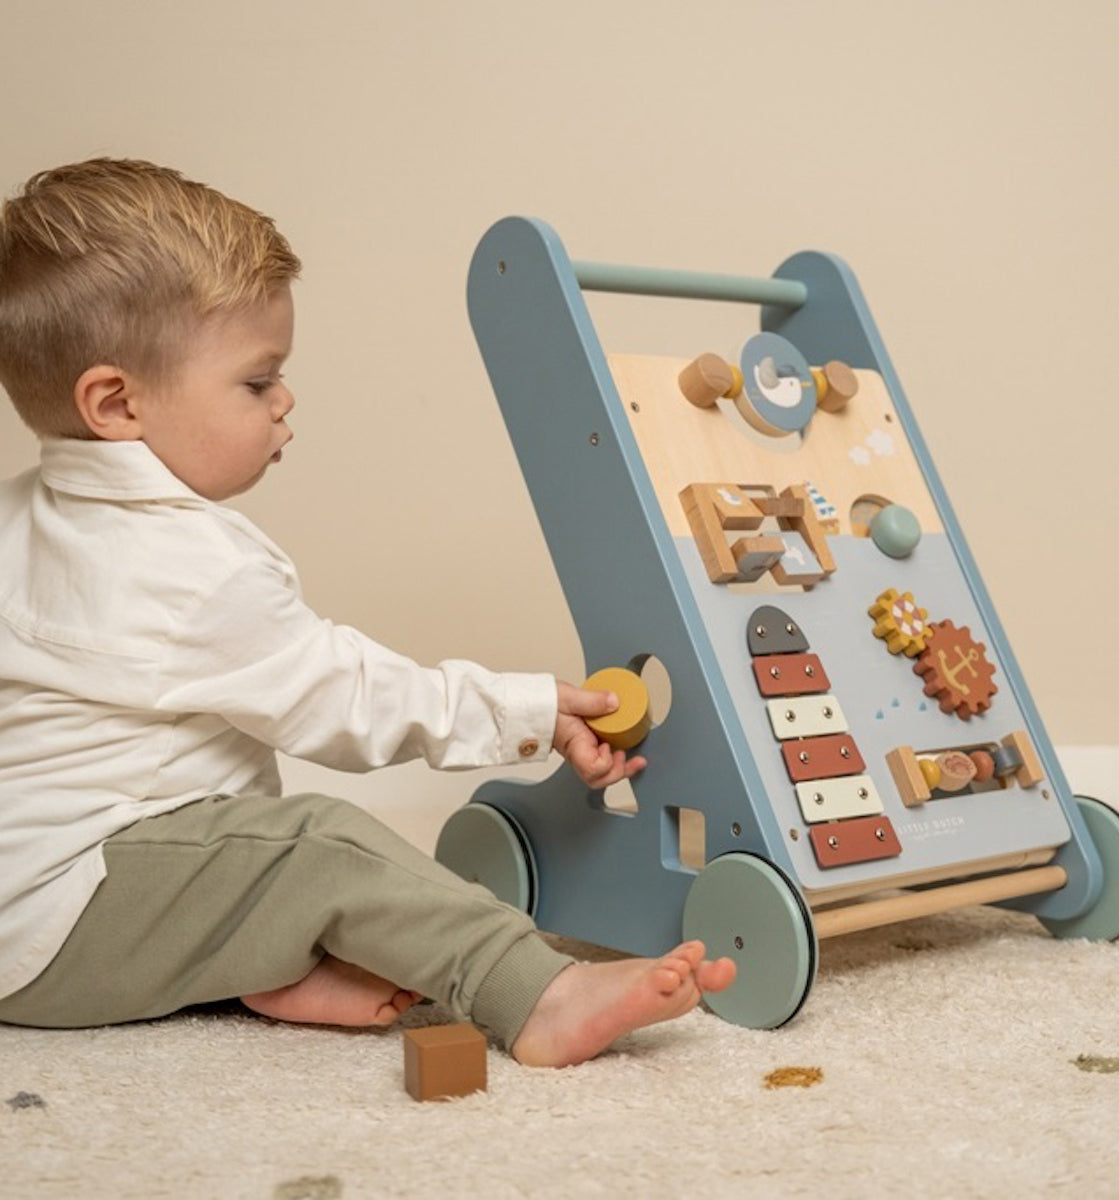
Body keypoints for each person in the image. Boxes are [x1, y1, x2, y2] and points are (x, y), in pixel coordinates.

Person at [0, 159, 735, 1067]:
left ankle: (250, 965)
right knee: (319, 843)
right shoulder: (182, 568)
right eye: (257, 380)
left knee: (239, 846)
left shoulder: (23, 519)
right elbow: (349, 699)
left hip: (44, 911)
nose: (285, 400)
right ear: (116, 403)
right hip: (62, 922)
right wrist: (529, 712)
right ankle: (535, 990)